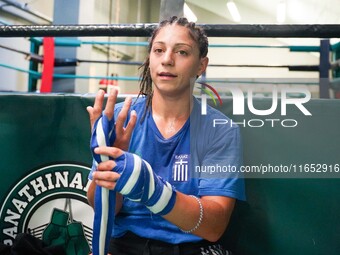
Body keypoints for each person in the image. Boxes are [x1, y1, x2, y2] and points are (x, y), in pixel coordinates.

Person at [86, 16, 246, 255]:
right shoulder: (122, 118)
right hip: (125, 244)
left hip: (190, 247)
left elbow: (214, 227)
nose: (167, 60)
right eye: (159, 50)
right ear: (150, 59)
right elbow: (104, 207)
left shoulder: (219, 130)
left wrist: (151, 189)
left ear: (201, 65)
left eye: (182, 52)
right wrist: (108, 170)